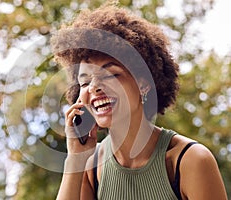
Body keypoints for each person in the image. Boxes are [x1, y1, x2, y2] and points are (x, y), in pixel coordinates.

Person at [50, 3, 228, 200]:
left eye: (110, 75)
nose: (94, 87)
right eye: (84, 81)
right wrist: (75, 161)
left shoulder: (190, 160)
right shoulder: (90, 167)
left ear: (144, 83)